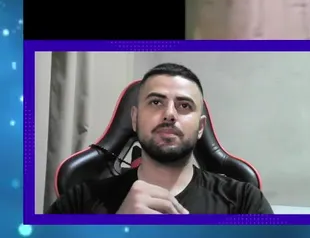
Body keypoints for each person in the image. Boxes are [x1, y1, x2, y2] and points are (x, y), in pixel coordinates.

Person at [48, 63, 272, 215]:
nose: (169, 114)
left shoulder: (244, 202)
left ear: (201, 127)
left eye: (184, 105)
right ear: (135, 119)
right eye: (156, 102)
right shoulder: (79, 201)